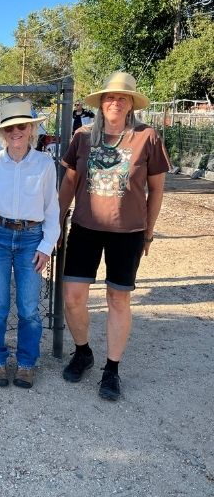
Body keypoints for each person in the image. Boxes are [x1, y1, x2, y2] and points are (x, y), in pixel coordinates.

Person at [59, 72, 170, 401]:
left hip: (128, 232)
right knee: (73, 297)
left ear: (131, 103)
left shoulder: (147, 137)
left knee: (118, 299)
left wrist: (149, 232)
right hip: (84, 229)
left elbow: (157, 189)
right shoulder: (82, 136)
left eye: (123, 97)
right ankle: (83, 353)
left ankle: (112, 369)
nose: (115, 102)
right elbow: (68, 183)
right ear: (101, 102)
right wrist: (58, 222)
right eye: (110, 97)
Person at [0, 98, 60, 389]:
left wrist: (46, 246)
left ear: (31, 130)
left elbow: (51, 209)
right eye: (9, 129)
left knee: (29, 306)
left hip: (31, 239)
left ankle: (26, 364)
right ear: (2, 134)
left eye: (21, 127)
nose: (16, 133)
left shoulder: (45, 164)